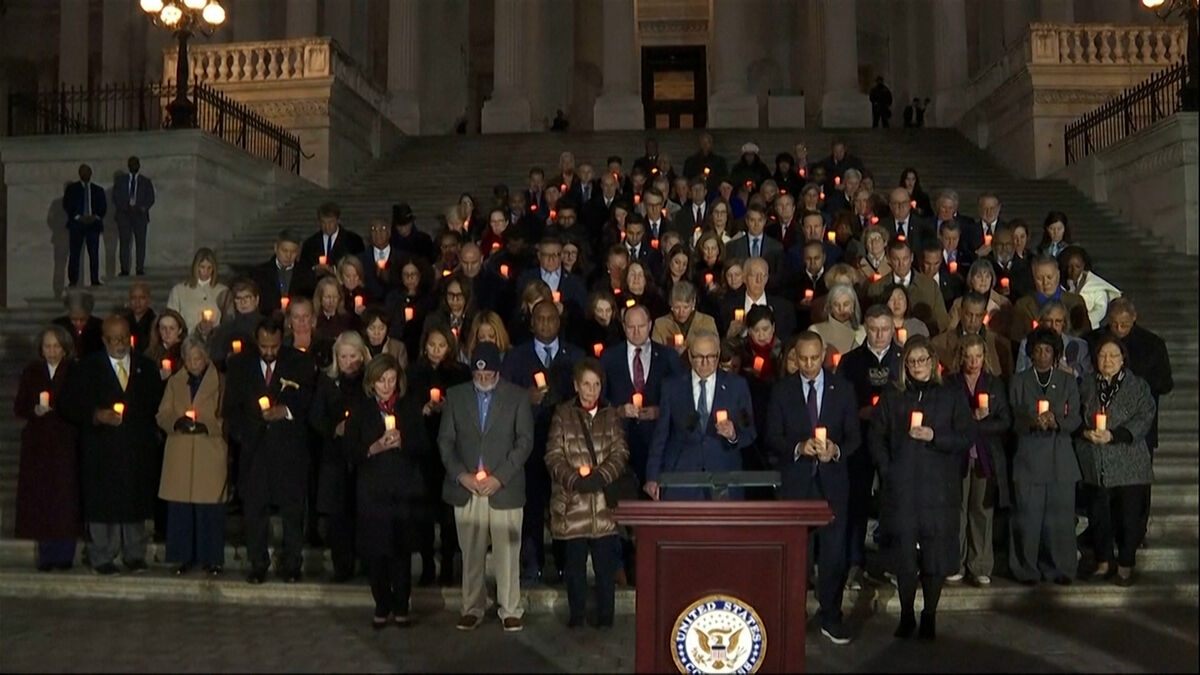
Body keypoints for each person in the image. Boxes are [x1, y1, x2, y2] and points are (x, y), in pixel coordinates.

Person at [868, 336, 972, 640]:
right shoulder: (894, 396)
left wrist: (935, 436)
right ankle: (906, 615)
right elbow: (876, 436)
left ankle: (929, 615)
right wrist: (888, 470)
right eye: (911, 361)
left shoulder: (950, 395)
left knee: (934, 555)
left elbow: (966, 436)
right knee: (904, 557)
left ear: (933, 362)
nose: (917, 366)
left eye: (922, 360)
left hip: (939, 490)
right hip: (902, 489)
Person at [765, 331, 860, 644]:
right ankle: (792, 615)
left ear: (823, 357)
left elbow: (854, 436)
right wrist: (798, 447)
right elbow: (772, 436)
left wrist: (835, 450)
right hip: (796, 485)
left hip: (832, 485)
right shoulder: (783, 390)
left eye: (814, 358)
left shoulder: (842, 389)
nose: (808, 365)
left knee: (833, 554)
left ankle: (831, 615)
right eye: (803, 358)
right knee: (796, 555)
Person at [439, 342, 534, 632]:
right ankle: (472, 607)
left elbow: (524, 441)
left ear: (497, 372)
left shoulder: (517, 397)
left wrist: (499, 477)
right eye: (478, 375)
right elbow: (445, 441)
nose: (482, 379)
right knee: (471, 552)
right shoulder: (455, 396)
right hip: (468, 489)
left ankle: (510, 608)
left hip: (504, 487)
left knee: (507, 553)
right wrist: (461, 475)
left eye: (488, 375)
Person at [60, 315, 164, 575]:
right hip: (101, 450)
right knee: (102, 504)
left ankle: (134, 554)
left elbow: (156, 403)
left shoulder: (146, 367)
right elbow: (68, 404)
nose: (120, 344)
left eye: (124, 338)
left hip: (136, 448)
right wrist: (96, 415)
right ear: (104, 341)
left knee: (135, 501)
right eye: (114, 339)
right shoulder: (87, 368)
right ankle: (101, 555)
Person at [224, 317, 316, 584]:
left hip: (289, 451)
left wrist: (285, 410)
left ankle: (292, 564)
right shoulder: (240, 364)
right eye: (264, 346)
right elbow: (231, 407)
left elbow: (308, 399)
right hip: (254, 451)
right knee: (255, 511)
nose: (269, 351)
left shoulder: (299, 362)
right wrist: (244, 434)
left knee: (292, 511)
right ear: (256, 341)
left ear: (281, 340)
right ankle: (258, 563)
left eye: (274, 346)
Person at [499, 300, 584, 584]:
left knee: (564, 503)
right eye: (540, 319)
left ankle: (564, 563)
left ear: (559, 322)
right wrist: (526, 397)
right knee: (532, 504)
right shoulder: (516, 357)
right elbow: (502, 397)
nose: (546, 324)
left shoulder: (575, 356)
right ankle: (532, 563)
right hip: (529, 442)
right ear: (532, 323)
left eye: (551, 319)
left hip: (566, 444)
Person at [544, 359, 631, 628]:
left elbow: (620, 452)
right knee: (575, 568)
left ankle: (605, 618)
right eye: (586, 384)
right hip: (572, 505)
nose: (591, 390)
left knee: (605, 568)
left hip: (604, 505)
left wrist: (600, 476)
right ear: (576, 385)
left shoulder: (610, 415)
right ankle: (577, 615)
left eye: (596, 385)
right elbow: (553, 455)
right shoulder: (562, 415)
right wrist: (574, 479)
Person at [347, 353, 430, 627]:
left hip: (403, 490)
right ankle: (382, 604)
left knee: (400, 552)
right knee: (376, 553)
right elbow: (350, 449)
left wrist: (403, 442)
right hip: (373, 491)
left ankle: (402, 605)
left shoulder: (408, 407)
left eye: (391, 380)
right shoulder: (361, 409)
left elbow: (424, 445)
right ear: (372, 382)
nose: (386, 386)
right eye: (381, 380)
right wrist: (374, 447)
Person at [1076, 334, 1156, 587]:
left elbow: (1145, 415)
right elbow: (1075, 413)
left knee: (1128, 518)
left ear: (1123, 359)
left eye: (1113, 356)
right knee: (1099, 516)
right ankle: (1103, 561)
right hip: (1096, 462)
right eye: (1102, 355)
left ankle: (1125, 565)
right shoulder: (1087, 384)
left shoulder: (1137, 385)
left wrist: (1115, 435)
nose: (1107, 360)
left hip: (1129, 462)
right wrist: (1084, 432)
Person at [1008, 327, 1082, 586]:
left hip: (1060, 459)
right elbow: (1013, 419)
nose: (1042, 355)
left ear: (1055, 353)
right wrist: (1031, 421)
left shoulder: (1067, 381)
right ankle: (1026, 569)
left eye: (1047, 350)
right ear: (1031, 353)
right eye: (1038, 350)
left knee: (1060, 520)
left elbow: (1076, 418)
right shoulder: (1019, 381)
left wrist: (1056, 420)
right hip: (1029, 458)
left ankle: (1060, 568)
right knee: (1028, 519)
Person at [644, 331, 756, 501]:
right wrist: (652, 476)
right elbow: (661, 436)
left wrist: (733, 435)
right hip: (682, 478)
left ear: (718, 355)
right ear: (690, 355)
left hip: (723, 476)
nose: (705, 363)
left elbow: (749, 432)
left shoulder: (737, 386)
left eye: (710, 357)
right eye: (699, 357)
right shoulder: (672, 387)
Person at [837, 305, 900, 587]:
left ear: (893, 329)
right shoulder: (850, 361)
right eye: (873, 329)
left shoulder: (903, 359)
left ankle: (890, 563)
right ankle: (854, 563)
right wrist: (857, 412)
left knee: (893, 503)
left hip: (893, 442)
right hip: (859, 440)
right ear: (865, 328)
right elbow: (839, 401)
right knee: (856, 502)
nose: (879, 335)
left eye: (885, 329)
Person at [155, 335, 227, 577]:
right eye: (188, 359)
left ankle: (212, 558)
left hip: (209, 449)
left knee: (209, 508)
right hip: (181, 450)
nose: (193, 363)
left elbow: (227, 415)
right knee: (181, 509)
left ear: (206, 357)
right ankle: (182, 557)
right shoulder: (175, 382)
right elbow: (162, 414)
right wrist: (176, 422)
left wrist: (209, 425)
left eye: (197, 358)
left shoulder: (220, 381)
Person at [945, 335, 1012, 586]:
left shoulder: (994, 384)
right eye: (969, 356)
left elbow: (1005, 421)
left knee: (982, 511)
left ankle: (980, 565)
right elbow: (946, 418)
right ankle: (955, 563)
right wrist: (970, 418)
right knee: (958, 510)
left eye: (978, 356)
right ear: (961, 357)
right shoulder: (950, 383)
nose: (974, 362)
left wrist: (979, 424)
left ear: (985, 357)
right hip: (958, 456)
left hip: (986, 456)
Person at [408, 325, 472, 585]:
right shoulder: (414, 373)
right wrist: (420, 409)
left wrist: (449, 407)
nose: (436, 350)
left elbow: (467, 408)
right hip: (423, 450)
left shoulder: (459, 374)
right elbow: (405, 407)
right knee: (424, 512)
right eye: (432, 345)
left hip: (450, 450)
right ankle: (426, 565)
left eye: (441, 346)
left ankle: (447, 564)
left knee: (448, 513)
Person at [14, 324, 80, 571]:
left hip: (65, 442)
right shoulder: (32, 371)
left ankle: (64, 555)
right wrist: (34, 409)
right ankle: (46, 556)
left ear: (64, 349)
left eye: (55, 346)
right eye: (47, 346)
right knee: (42, 500)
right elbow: (19, 406)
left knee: (65, 500)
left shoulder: (74, 371)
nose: (51, 351)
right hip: (38, 445)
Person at [310, 331, 372, 582]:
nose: (348, 362)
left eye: (353, 356)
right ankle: (342, 566)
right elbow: (315, 417)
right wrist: (333, 429)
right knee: (338, 518)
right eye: (343, 357)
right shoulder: (327, 382)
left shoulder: (370, 382)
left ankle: (368, 565)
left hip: (364, 458)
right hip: (335, 458)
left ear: (362, 355)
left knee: (365, 514)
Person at [867, 240, 949, 335]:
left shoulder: (929, 286)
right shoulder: (877, 289)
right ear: (888, 259)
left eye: (905, 258)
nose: (901, 264)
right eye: (896, 259)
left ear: (912, 258)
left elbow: (942, 322)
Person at [63, 163, 107, 288]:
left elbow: (103, 208)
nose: (85, 174)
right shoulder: (72, 189)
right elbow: (67, 205)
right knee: (74, 254)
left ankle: (94, 280)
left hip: (93, 226)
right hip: (77, 225)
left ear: (91, 173)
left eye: (87, 171)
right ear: (79, 174)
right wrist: (78, 217)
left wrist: (94, 217)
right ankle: (73, 280)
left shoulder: (98, 190)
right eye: (83, 172)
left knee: (94, 254)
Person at [251, 229, 315, 314]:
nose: (288, 256)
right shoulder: (261, 273)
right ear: (276, 248)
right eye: (285, 251)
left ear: (298, 252)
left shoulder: (306, 274)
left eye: (293, 252)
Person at [167, 248, 229, 334]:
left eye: (209, 268)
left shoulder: (223, 291)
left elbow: (228, 321)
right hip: (188, 338)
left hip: (214, 338)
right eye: (202, 267)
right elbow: (171, 319)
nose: (206, 272)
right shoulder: (179, 291)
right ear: (196, 267)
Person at [112, 155, 156, 276]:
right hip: (124, 216)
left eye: (136, 164)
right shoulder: (120, 181)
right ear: (128, 166)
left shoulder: (145, 181)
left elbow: (151, 198)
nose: (133, 166)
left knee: (140, 243)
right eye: (131, 164)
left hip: (140, 216)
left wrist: (142, 208)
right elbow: (116, 197)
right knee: (124, 243)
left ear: (139, 165)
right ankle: (124, 269)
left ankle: (139, 268)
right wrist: (126, 207)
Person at [1060, 245, 1121, 328]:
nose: (1073, 271)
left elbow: (1100, 309)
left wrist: (1085, 321)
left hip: (1090, 328)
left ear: (1083, 265)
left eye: (1077, 266)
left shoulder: (1096, 285)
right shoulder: (1060, 284)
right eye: (1069, 267)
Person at [300, 202, 366, 273]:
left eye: (331, 222)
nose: (327, 226)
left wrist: (335, 271)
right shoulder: (309, 244)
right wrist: (314, 269)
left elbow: (360, 267)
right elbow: (303, 268)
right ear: (319, 222)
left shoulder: (354, 241)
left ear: (338, 220)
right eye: (323, 222)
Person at [809, 284, 865, 359]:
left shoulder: (863, 332)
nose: (841, 309)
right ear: (830, 307)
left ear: (853, 306)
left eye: (846, 304)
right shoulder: (815, 330)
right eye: (836, 305)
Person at [53, 289, 105, 357]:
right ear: (68, 312)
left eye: (83, 319)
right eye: (74, 319)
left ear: (89, 313)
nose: (78, 323)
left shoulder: (100, 326)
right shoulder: (58, 326)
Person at [122, 282, 157, 356]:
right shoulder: (124, 321)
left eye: (142, 298)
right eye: (133, 298)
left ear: (148, 300)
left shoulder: (155, 321)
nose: (137, 302)